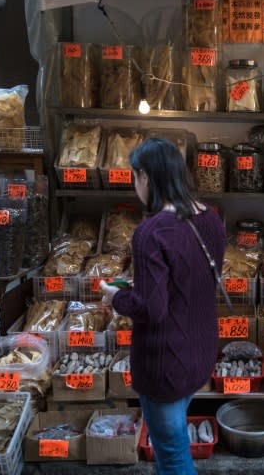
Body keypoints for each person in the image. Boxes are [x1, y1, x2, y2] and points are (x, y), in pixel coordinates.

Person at [99, 138, 225, 475]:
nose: (134, 184)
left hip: (165, 362)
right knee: (175, 447)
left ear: (146, 178)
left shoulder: (151, 232)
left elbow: (152, 309)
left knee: (172, 457)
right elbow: (194, 283)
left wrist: (116, 297)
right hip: (200, 351)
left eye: (134, 177)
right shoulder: (211, 219)